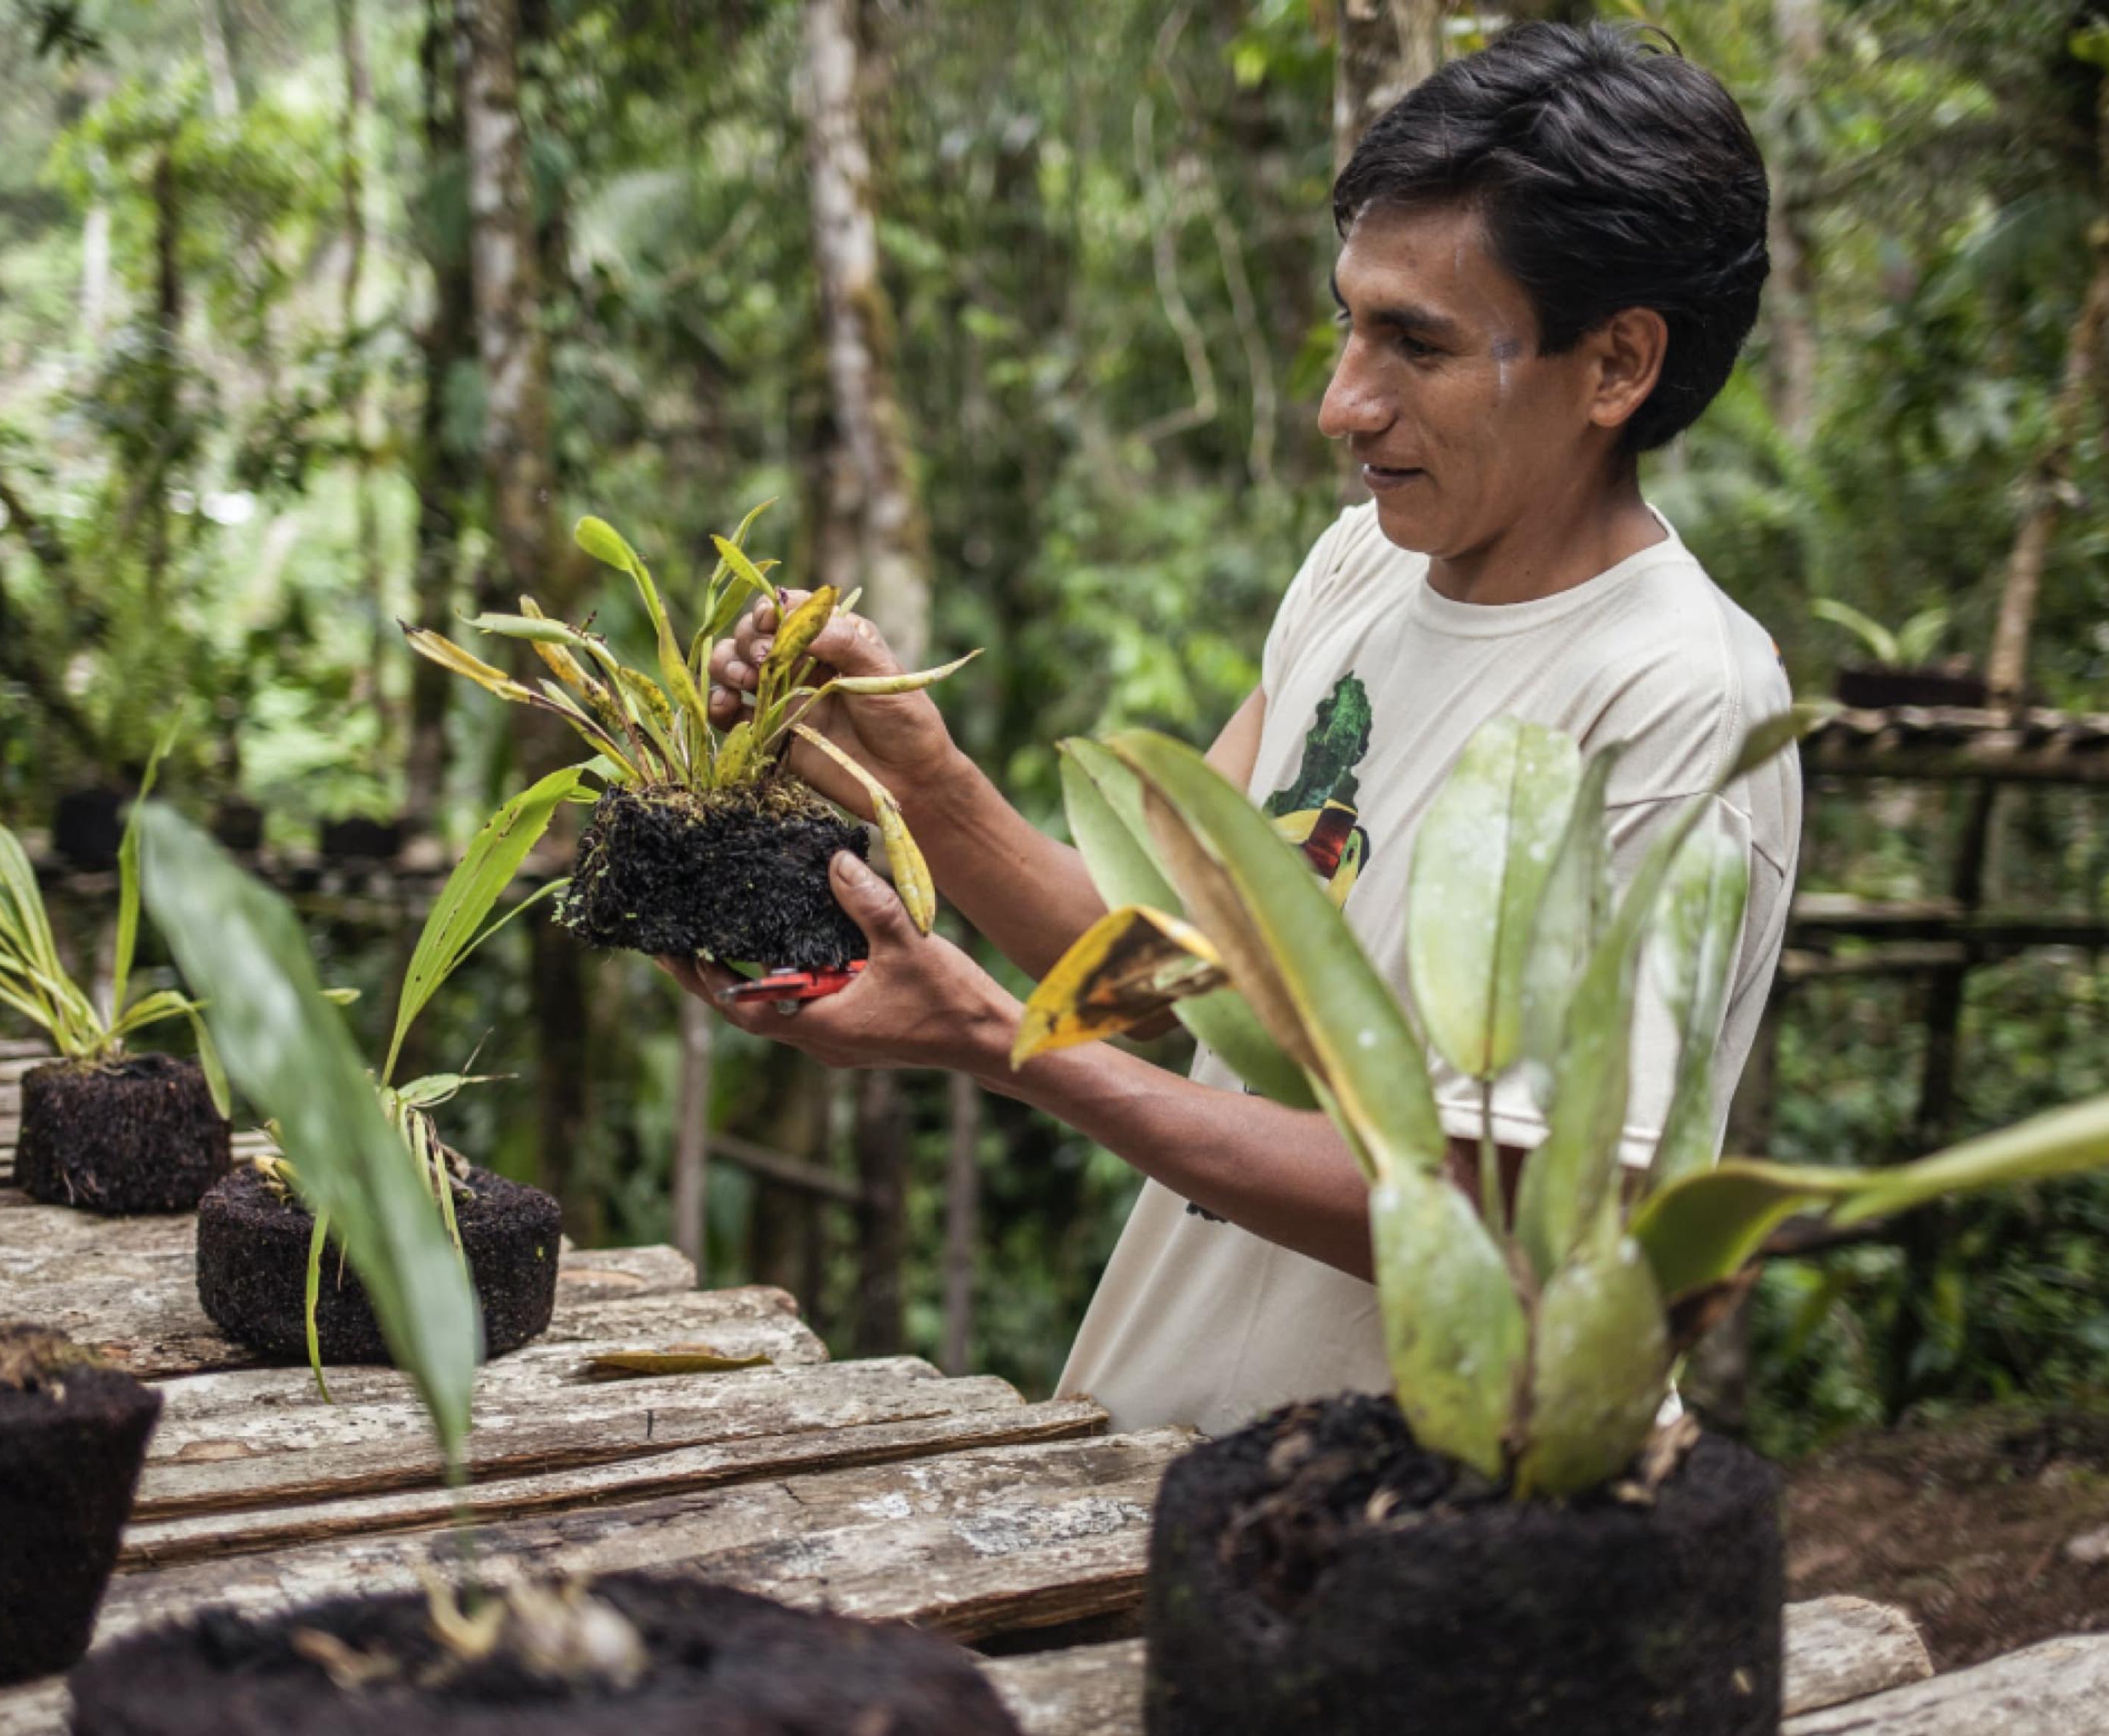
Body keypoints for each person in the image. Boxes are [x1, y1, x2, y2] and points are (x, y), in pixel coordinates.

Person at [658, 22, 1799, 1440]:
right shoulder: (1360, 575)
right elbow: (1162, 970)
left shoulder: (1679, 698)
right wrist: (916, 772)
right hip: (1182, 1478)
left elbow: (1517, 1230)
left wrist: (991, 1038)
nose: (1343, 403)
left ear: (1617, 363)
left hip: (1447, 1545)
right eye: (1348, 322)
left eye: (1416, 343)